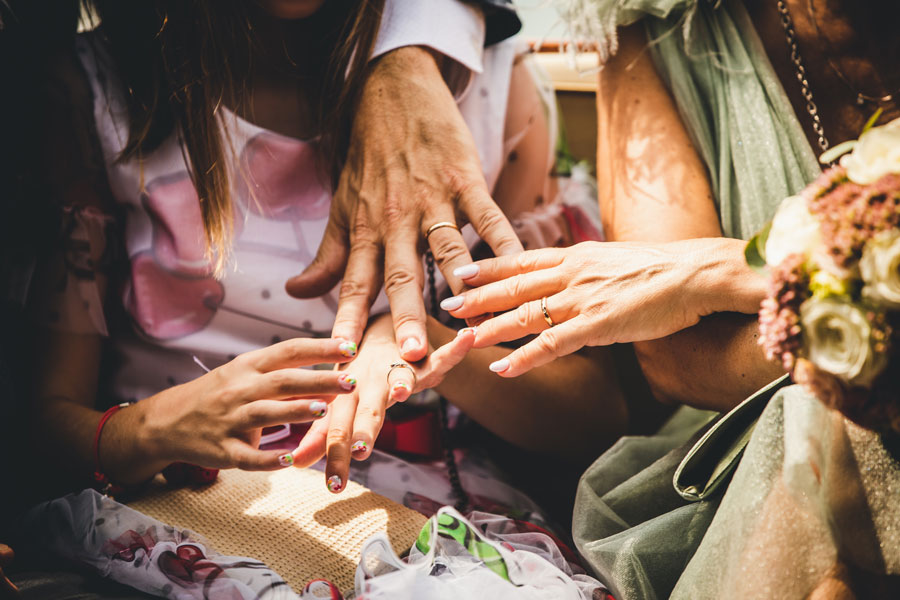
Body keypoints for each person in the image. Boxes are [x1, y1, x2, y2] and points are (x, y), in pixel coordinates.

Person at [439, 0, 900, 597]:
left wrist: (724, 268)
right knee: (820, 421)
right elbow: (671, 355)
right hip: (745, 451)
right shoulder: (652, 22)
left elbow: (667, 297)